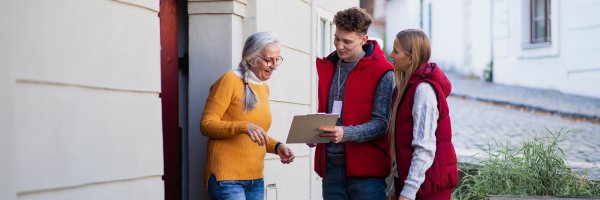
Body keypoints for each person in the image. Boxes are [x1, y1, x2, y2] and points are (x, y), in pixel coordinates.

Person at [309, 7, 395, 199]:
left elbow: (382, 124)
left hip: (367, 174)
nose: (339, 46)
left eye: (347, 41)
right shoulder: (329, 66)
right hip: (331, 171)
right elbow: (329, 113)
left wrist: (345, 133)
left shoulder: (383, 72)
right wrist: (313, 133)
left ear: (363, 40)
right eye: (336, 38)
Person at [200, 32, 295, 200]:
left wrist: (277, 146)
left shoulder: (263, 88)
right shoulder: (230, 80)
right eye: (268, 60)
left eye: (277, 59)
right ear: (252, 58)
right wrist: (243, 126)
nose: (274, 65)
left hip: (255, 179)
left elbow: (255, 134)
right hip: (226, 178)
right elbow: (206, 124)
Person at [387, 29, 458, 200]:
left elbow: (424, 146)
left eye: (396, 51)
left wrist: (408, 192)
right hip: (412, 185)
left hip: (427, 190)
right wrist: (395, 186)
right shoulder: (405, 87)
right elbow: (400, 146)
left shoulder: (423, 90)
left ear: (411, 57)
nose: (391, 55)